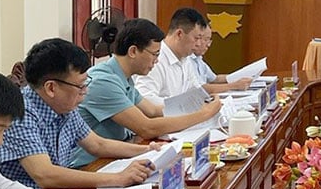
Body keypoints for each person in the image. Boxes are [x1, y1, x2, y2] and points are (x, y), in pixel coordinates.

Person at [0, 39, 158, 189]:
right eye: (80, 86)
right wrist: (118, 178)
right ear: (51, 88)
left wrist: (146, 150)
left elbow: (97, 145)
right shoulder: (22, 114)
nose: (85, 92)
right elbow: (45, 175)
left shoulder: (65, 107)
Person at [78, 18, 224, 143]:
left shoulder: (123, 77)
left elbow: (153, 110)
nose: (157, 61)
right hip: (92, 164)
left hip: (119, 150)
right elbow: (147, 128)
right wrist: (204, 114)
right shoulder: (104, 82)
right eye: (155, 54)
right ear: (133, 51)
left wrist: (198, 107)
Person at [189, 23, 253, 94]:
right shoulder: (187, 60)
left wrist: (242, 76)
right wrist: (234, 85)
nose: (208, 45)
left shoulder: (198, 59)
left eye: (209, 40)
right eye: (206, 39)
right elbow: (202, 88)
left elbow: (215, 79)